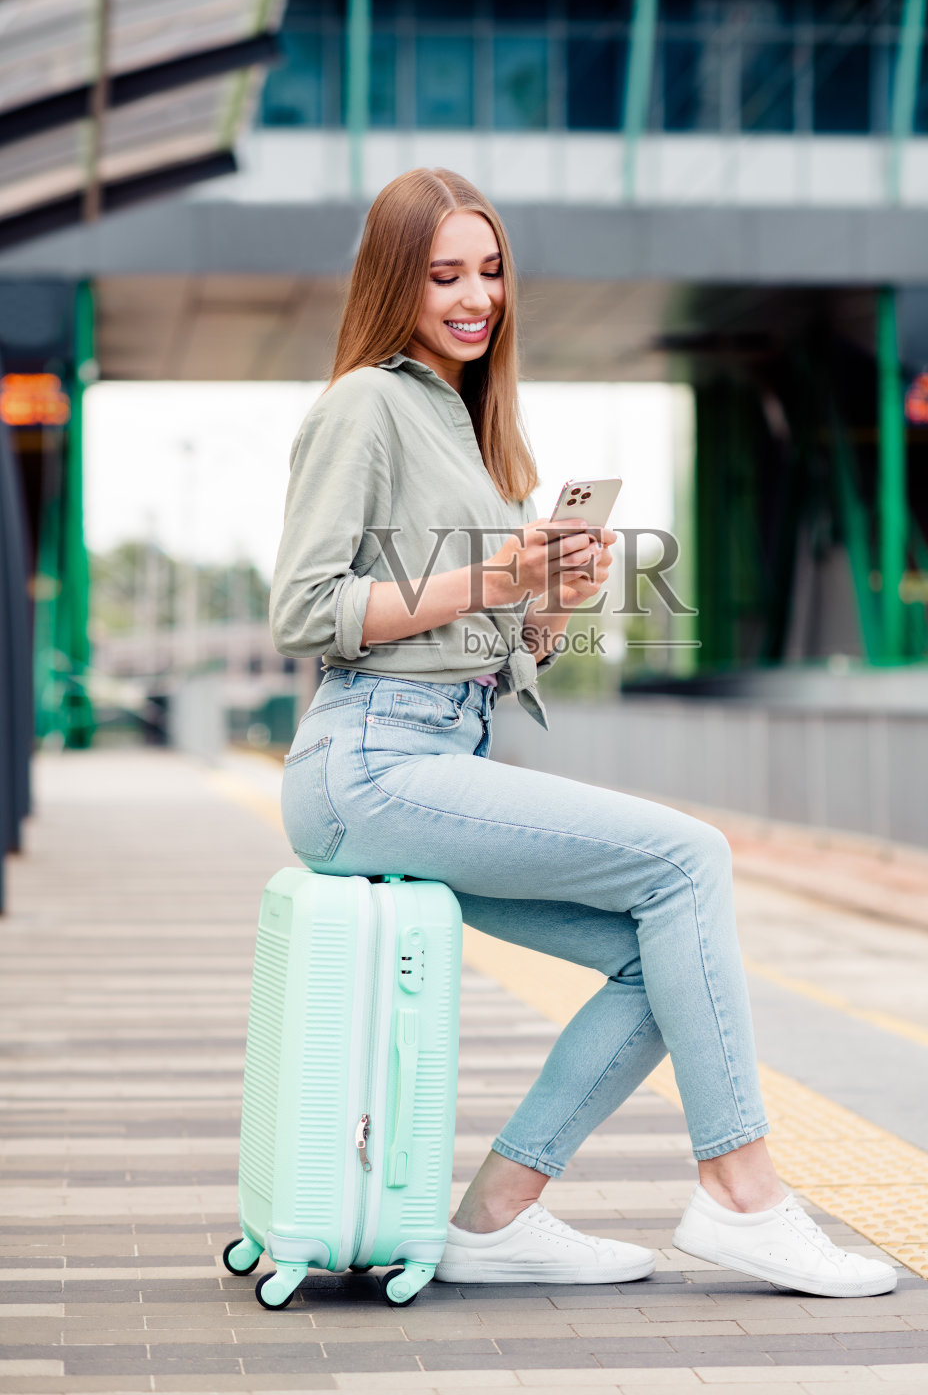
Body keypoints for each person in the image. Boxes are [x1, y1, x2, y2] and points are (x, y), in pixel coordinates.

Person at [269, 166, 896, 1299]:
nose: (475, 296)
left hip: (434, 751)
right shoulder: (364, 402)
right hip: (367, 757)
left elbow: (503, 654)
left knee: (655, 950)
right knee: (687, 855)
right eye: (444, 272)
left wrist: (548, 594)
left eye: (491, 270)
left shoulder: (467, 424)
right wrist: (491, 572)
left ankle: (500, 1214)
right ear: (393, 282)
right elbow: (308, 609)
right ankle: (742, 1192)